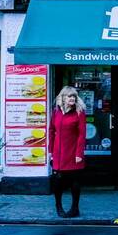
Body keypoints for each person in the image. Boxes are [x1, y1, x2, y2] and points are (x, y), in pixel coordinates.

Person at [48, 86, 87, 218]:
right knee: (58, 181)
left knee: (74, 182)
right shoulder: (56, 112)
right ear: (63, 97)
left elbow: (82, 134)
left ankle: (75, 208)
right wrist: (50, 151)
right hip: (58, 153)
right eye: (69, 96)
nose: (72, 98)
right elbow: (51, 131)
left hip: (73, 152)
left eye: (74, 96)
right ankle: (58, 207)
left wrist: (79, 154)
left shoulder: (79, 113)